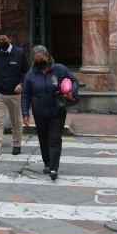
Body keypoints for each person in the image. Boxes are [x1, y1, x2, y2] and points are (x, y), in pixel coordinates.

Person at [21, 45, 79, 181]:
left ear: (47, 57)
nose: (39, 62)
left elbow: (74, 81)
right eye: (36, 60)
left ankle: (54, 168)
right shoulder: (30, 75)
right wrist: (25, 113)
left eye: (42, 59)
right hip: (39, 113)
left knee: (55, 139)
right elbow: (25, 95)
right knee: (44, 140)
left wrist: (72, 92)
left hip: (57, 111)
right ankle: (47, 163)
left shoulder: (59, 69)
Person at [0, 28, 29, 158]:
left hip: (14, 93)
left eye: (3, 40)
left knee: (16, 121)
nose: (1, 42)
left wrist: (21, 84)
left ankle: (17, 144)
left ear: (10, 39)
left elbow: (26, 72)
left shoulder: (19, 53)